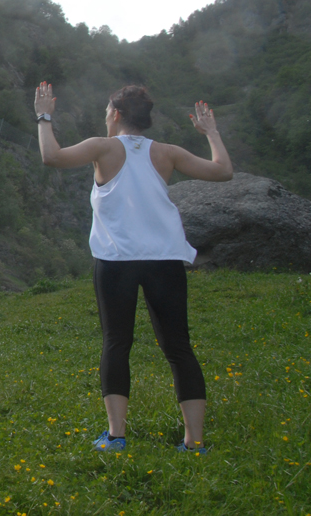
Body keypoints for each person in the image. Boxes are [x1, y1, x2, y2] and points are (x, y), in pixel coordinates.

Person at [34, 82, 232, 454]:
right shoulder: (167, 152)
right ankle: (195, 442)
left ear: (116, 114)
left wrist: (44, 116)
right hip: (165, 261)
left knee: (117, 344)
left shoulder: (102, 147)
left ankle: (116, 437)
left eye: (107, 111)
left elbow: (52, 157)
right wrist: (212, 133)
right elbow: (223, 172)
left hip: (116, 262)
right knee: (179, 348)